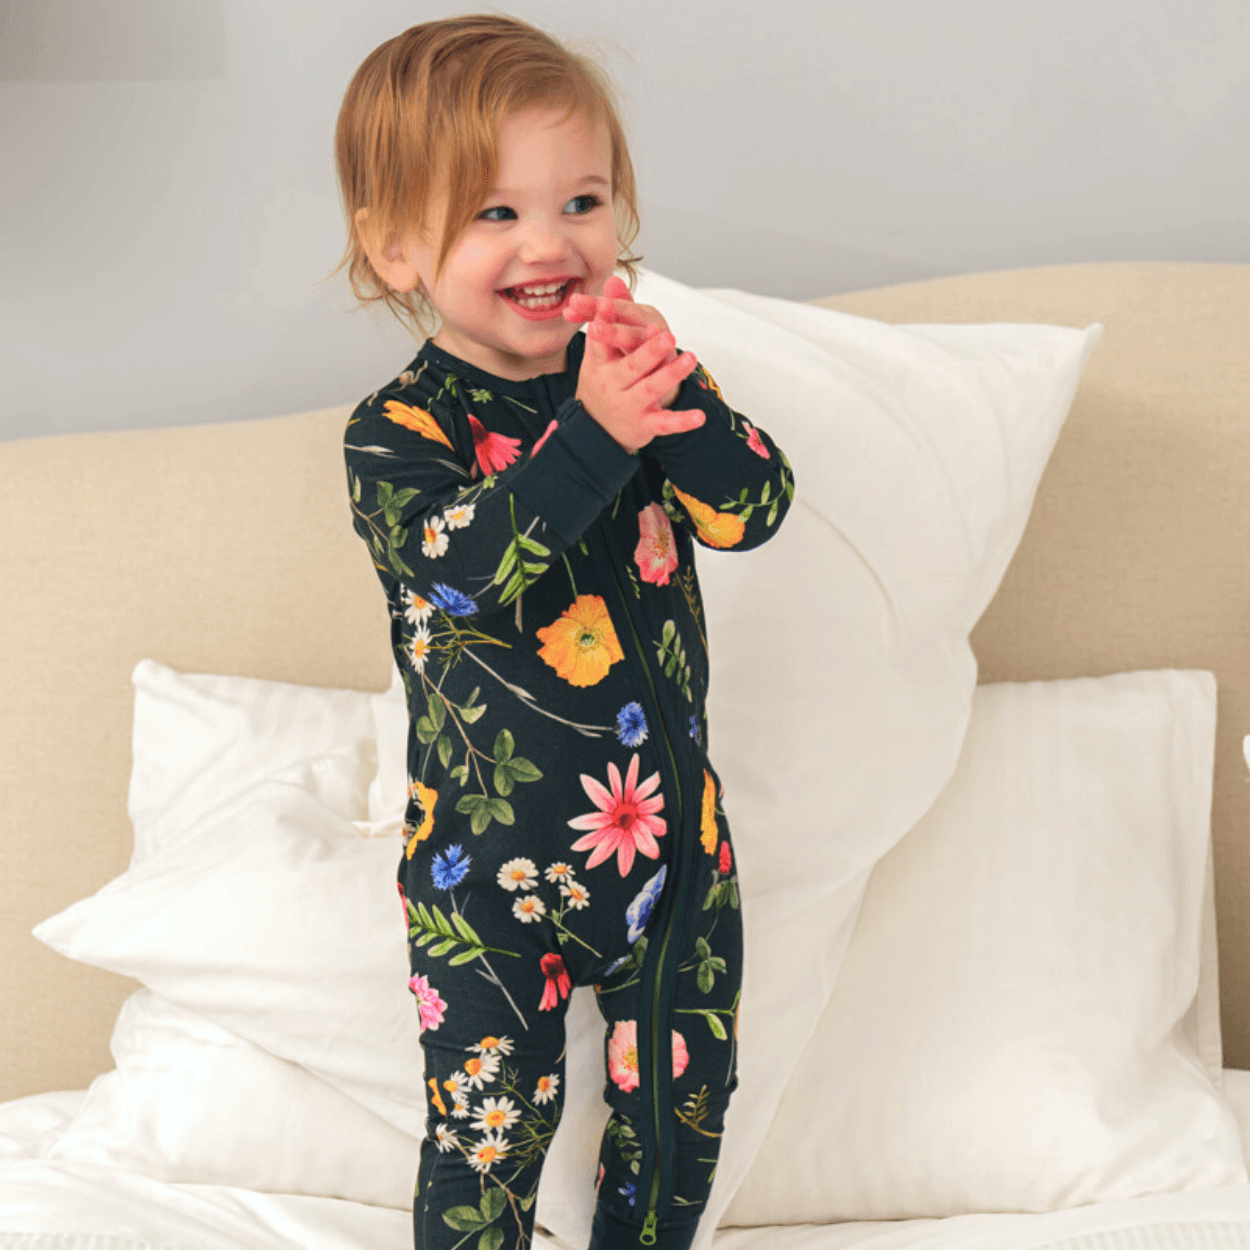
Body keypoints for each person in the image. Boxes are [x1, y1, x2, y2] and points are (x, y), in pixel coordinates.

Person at [332, 14, 794, 1249]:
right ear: (394, 247)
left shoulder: (633, 379)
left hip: (672, 850)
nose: (548, 242)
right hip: (487, 873)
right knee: (486, 1141)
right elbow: (465, 573)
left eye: (580, 201)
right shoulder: (400, 431)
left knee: (680, 1123)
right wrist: (591, 436)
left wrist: (679, 404)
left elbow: (752, 510)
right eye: (495, 212)